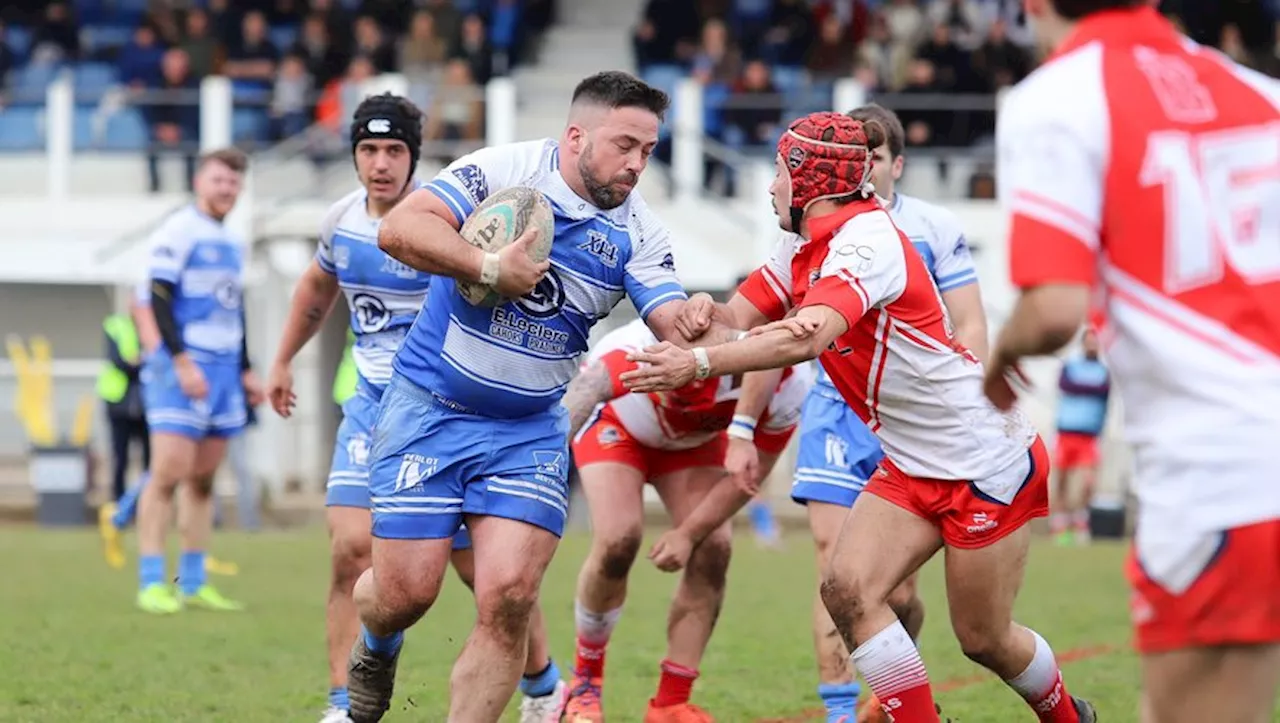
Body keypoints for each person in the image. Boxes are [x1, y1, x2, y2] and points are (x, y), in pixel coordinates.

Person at [621, 111, 1096, 723]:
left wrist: (699, 364)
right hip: (916, 461)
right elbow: (739, 317)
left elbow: (803, 338)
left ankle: (1067, 717)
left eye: (777, 172)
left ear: (807, 179)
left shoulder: (868, 242)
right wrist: (695, 316)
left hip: (984, 462)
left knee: (983, 639)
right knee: (846, 588)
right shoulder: (799, 242)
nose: (769, 187)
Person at [343, 71, 733, 723]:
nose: (637, 163)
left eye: (648, 150)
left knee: (510, 597)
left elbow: (675, 323)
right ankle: (376, 644)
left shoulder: (640, 231)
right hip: (430, 408)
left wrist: (705, 318)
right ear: (576, 135)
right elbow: (401, 230)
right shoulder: (505, 170)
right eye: (624, 145)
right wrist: (490, 267)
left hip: (529, 432)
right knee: (406, 592)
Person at [982, 2, 1280, 722]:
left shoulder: (1057, 97)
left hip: (1223, 475)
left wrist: (1001, 355)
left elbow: (1054, 309)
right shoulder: (1254, 91)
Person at [266, 93, 567, 723]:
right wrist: (282, 359)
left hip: (446, 412)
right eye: (368, 149)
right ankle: (346, 702)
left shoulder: (456, 222)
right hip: (373, 403)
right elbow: (317, 287)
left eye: (394, 150)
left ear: (414, 157)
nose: (380, 163)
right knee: (351, 549)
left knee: (485, 573)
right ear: (353, 155)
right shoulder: (340, 223)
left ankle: (542, 684)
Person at [781, 104, 989, 723]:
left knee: (896, 591)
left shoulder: (927, 227)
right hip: (834, 406)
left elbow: (970, 318)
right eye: (852, 156)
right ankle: (840, 712)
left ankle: (892, 684)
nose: (861, 167)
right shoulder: (805, 232)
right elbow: (777, 322)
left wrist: (971, 393)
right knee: (832, 562)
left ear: (894, 163)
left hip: (912, 416)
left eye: (872, 157)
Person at [556, 318, 812, 722]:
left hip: (691, 445)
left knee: (714, 547)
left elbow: (752, 472)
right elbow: (584, 393)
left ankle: (671, 703)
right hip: (619, 424)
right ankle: (586, 684)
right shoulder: (655, 343)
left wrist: (688, 534)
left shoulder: (792, 383)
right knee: (619, 540)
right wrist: (539, 464)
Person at [134, 148, 263, 615]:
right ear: (198, 182)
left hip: (226, 371)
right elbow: (157, 297)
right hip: (182, 368)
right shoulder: (178, 230)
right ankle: (151, 582)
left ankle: (193, 581)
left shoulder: (232, 241)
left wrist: (247, 368)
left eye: (233, 182)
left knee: (204, 480)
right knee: (167, 473)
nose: (226, 189)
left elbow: (235, 307)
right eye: (218, 180)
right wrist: (181, 360)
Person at [98, 279, 240, 577]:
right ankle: (125, 521)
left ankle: (190, 561)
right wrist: (168, 361)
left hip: (169, 390)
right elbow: (132, 353)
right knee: (166, 466)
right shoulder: (129, 315)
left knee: (186, 468)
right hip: (138, 396)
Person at [1049, 325, 1109, 546]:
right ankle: (1060, 525)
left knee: (1087, 482)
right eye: (1089, 341)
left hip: (1090, 434)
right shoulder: (1070, 366)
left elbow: (1103, 392)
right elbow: (1065, 385)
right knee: (1062, 479)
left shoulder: (1104, 371)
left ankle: (1081, 521)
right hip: (1066, 430)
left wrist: (1082, 388)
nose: (1092, 345)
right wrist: (1088, 388)